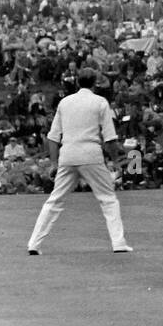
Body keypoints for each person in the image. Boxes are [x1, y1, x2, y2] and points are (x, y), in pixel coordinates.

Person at [27, 68, 132, 254]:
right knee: (108, 200)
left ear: (77, 82)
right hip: (91, 154)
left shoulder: (65, 102)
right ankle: (118, 243)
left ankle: (33, 244)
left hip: (68, 154)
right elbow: (110, 139)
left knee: (54, 201)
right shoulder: (100, 102)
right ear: (95, 83)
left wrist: (53, 163)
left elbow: (52, 137)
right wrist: (115, 162)